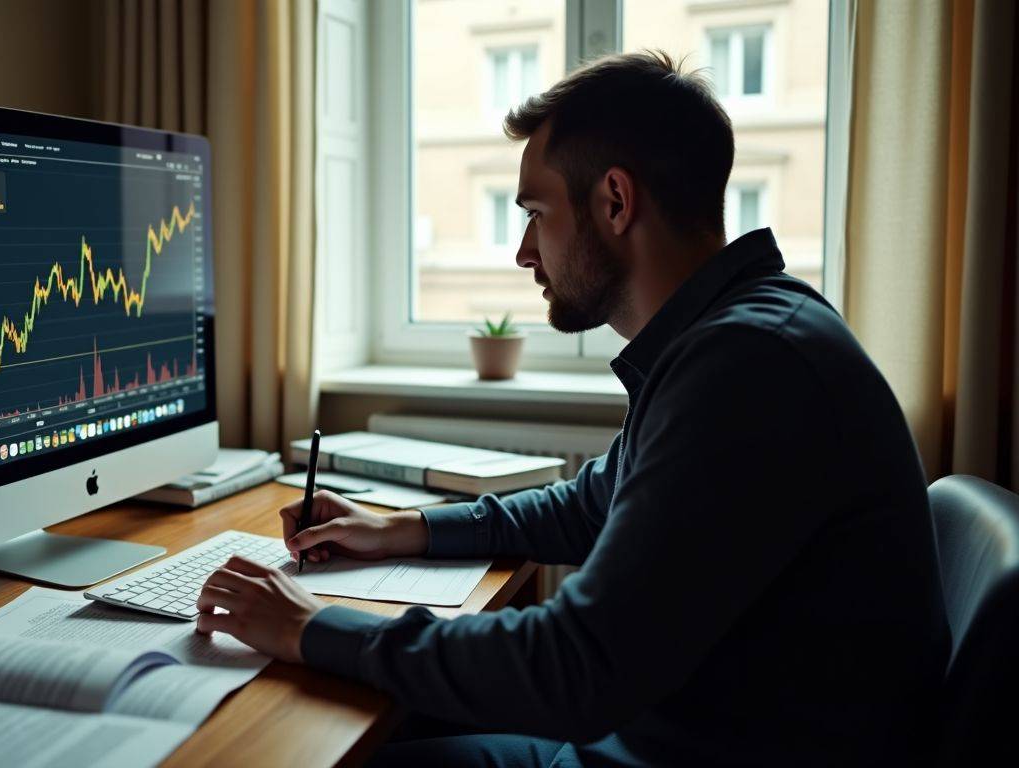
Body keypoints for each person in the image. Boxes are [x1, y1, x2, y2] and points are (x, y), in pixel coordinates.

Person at [195, 51, 948, 767]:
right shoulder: (733, 333)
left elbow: (575, 667)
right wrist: (403, 529)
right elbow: (592, 506)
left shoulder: (748, 366)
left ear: (615, 201)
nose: (525, 252)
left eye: (536, 213)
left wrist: (310, 627)